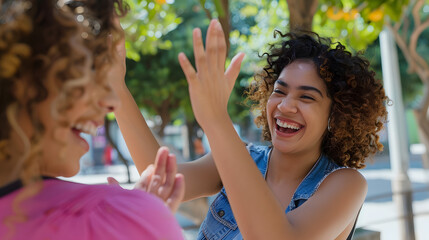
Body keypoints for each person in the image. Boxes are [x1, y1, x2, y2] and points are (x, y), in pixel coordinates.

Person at [116, 20, 388, 240]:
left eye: (307, 97)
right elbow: (159, 175)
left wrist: (215, 119)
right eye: (279, 91)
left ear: (336, 116)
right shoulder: (242, 158)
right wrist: (115, 86)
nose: (286, 105)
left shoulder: (345, 185)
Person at [0, 1, 184, 239]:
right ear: (21, 76)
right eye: (88, 71)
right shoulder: (113, 219)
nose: (111, 102)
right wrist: (136, 221)